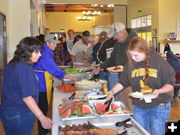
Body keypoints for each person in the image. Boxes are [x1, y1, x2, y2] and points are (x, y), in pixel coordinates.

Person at [106, 37, 175, 135]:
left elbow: (170, 83)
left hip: (159, 105)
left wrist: (159, 91)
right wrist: (112, 92)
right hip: (140, 105)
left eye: (136, 55)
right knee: (140, 132)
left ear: (144, 51)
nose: (133, 58)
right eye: (131, 55)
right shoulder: (130, 64)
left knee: (157, 132)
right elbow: (123, 82)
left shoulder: (159, 62)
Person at [0, 37, 52, 135]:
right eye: (37, 52)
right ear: (27, 52)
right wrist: (42, 117)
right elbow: (27, 97)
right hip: (20, 113)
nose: (40, 55)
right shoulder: (24, 68)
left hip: (8, 112)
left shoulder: (12, 63)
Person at [33, 34, 77, 135]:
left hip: (43, 82)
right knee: (42, 108)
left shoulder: (46, 52)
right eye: (53, 43)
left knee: (43, 107)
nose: (55, 45)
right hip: (41, 85)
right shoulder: (45, 54)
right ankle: (42, 132)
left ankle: (43, 131)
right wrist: (71, 77)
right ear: (47, 43)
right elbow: (55, 71)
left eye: (56, 43)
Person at [93, 22, 137, 100]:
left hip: (133, 81)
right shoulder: (118, 44)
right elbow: (112, 59)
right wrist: (101, 67)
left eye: (115, 35)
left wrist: (126, 68)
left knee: (131, 107)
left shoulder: (135, 42)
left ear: (122, 32)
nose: (114, 38)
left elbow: (141, 62)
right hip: (122, 80)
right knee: (122, 104)